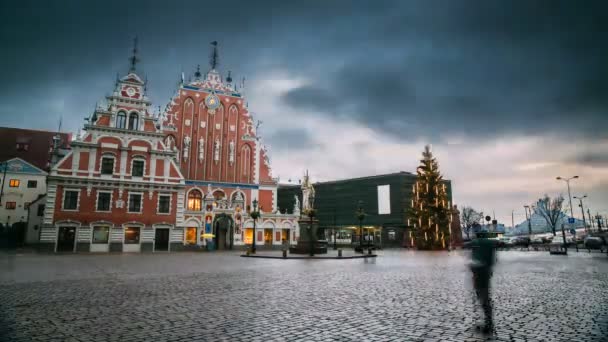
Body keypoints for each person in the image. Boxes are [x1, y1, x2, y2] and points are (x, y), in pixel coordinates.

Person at [470, 233, 496, 334]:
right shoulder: (489, 244)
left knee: (482, 297)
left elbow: (474, 259)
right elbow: (492, 260)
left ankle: (488, 322)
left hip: (479, 273)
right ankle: (488, 320)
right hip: (485, 272)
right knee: (484, 297)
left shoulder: (477, 244)